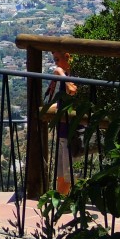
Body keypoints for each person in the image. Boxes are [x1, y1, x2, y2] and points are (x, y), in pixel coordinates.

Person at [48, 50, 78, 194]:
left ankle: (64, 204)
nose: (56, 64)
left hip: (71, 131)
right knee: (61, 173)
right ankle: (60, 200)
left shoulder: (71, 76)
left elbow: (72, 90)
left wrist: (60, 73)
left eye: (57, 60)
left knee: (68, 174)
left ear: (68, 57)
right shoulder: (65, 76)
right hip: (63, 128)